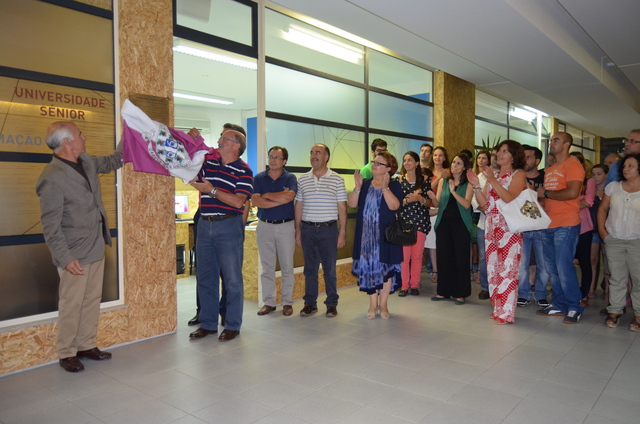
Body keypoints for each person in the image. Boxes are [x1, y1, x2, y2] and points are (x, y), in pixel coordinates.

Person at [36, 121, 123, 372]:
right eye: (79, 135)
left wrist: (131, 132)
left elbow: (115, 160)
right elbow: (50, 226)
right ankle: (66, 352)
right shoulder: (51, 178)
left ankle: (86, 344)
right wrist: (65, 258)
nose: (84, 137)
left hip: (96, 244)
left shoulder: (85, 161)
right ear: (66, 142)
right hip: (74, 253)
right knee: (71, 303)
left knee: (91, 299)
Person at [189, 124, 253, 341]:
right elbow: (192, 175)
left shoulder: (244, 170)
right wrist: (190, 144)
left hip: (229, 226)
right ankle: (207, 324)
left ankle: (232, 324)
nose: (219, 141)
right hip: (205, 225)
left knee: (232, 279)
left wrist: (213, 191)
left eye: (224, 139)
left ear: (236, 146)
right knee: (205, 277)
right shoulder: (209, 162)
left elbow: (238, 201)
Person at [470, 140, 526, 324]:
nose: (499, 155)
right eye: (498, 152)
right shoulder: (494, 175)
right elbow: (483, 204)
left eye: (504, 151)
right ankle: (498, 308)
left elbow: (509, 198)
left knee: (508, 271)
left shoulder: (518, 175)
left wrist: (493, 181)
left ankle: (507, 312)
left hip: (509, 229)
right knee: (493, 269)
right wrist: (477, 186)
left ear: (514, 156)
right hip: (491, 227)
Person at [536, 132, 585, 323]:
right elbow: (547, 197)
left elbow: (572, 192)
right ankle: (560, 304)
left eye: (556, 140)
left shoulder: (573, 165)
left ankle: (575, 306)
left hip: (566, 224)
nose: (552, 143)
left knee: (564, 267)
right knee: (552, 268)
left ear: (567, 144)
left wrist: (545, 192)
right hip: (548, 223)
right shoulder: (550, 169)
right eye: (551, 140)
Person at [295, 144, 347, 317]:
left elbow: (342, 207)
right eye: (311, 153)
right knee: (310, 269)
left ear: (326, 157)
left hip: (329, 230)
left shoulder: (337, 179)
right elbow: (299, 205)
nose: (313, 156)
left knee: (329, 269)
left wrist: (342, 232)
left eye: (317, 153)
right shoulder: (302, 179)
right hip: (308, 229)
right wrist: (297, 230)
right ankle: (310, 303)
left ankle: (331, 304)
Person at [349, 152, 403, 318]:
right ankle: (373, 304)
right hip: (366, 237)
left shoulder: (394, 185)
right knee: (369, 269)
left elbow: (394, 206)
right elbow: (351, 204)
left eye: (379, 163)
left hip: (385, 236)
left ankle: (384, 304)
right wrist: (357, 188)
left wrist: (385, 188)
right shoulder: (365, 183)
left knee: (385, 270)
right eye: (374, 162)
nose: (374, 165)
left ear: (389, 168)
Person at [252, 146, 297, 316]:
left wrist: (266, 195)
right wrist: (279, 198)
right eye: (271, 156)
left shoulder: (290, 177)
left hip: (286, 226)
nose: (273, 160)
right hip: (264, 226)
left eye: (277, 157)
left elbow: (289, 197)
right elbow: (255, 201)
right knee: (267, 267)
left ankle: (287, 302)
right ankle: (269, 302)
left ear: (284, 161)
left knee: (287, 266)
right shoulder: (259, 178)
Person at [598, 154, 640, 330]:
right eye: (624, 166)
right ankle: (615, 310)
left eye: (630, 166)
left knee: (638, 278)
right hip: (613, 239)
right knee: (616, 277)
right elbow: (602, 208)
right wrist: (603, 232)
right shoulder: (613, 187)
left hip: (637, 240)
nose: (626, 169)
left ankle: (638, 314)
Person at [427, 153, 473, 304]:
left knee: (460, 258)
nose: (455, 166)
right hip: (444, 224)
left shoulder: (469, 183)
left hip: (461, 224)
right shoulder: (444, 182)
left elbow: (466, 204)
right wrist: (431, 197)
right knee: (444, 258)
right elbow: (438, 203)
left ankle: (461, 293)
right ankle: (443, 291)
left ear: (465, 167)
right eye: (454, 162)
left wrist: (454, 191)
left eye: (459, 163)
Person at [515, 145, 549, 308]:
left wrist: (532, 196)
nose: (525, 160)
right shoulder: (517, 178)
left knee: (543, 264)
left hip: (543, 227)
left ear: (537, 160)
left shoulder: (546, 177)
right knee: (522, 264)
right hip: (523, 227)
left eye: (528, 157)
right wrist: (535, 199)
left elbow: (548, 201)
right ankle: (524, 294)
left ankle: (541, 294)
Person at [398, 151, 431, 297]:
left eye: (410, 160)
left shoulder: (424, 181)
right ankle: (404, 286)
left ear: (417, 163)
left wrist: (419, 198)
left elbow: (430, 203)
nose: (406, 163)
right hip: (404, 223)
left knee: (417, 257)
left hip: (420, 222)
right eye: (405, 160)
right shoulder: (398, 181)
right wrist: (406, 200)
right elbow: (395, 203)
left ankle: (415, 284)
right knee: (404, 258)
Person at [570, 151, 596, 306]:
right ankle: (569, 291)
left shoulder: (589, 181)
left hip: (583, 228)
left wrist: (566, 206)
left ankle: (584, 293)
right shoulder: (564, 180)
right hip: (565, 226)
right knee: (565, 262)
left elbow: (588, 201)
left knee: (584, 262)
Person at [424, 146, 450, 284]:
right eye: (435, 155)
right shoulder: (428, 172)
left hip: (442, 207)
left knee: (442, 242)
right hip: (428, 207)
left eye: (440, 155)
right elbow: (425, 189)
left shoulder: (448, 173)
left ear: (445, 158)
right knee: (431, 242)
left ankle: (444, 268)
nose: (437, 158)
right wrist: (438, 177)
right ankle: (434, 269)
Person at [472, 150, 491, 300]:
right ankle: (485, 287)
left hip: (498, 223)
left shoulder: (496, 177)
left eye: (484, 158)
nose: (481, 160)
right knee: (484, 257)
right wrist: (481, 207)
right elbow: (474, 199)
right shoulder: (476, 178)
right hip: (482, 223)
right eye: (479, 158)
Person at [588, 164, 608, 299]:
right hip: (594, 229)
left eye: (599, 174)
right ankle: (591, 289)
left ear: (606, 175)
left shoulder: (611, 191)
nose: (596, 177)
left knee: (609, 262)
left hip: (609, 230)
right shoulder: (590, 192)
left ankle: (607, 290)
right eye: (593, 174)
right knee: (592, 260)